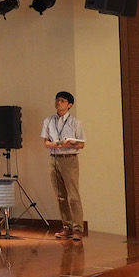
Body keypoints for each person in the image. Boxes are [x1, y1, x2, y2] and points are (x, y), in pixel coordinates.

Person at [41, 90, 86, 242]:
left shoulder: (75, 122)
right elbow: (46, 143)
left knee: (73, 196)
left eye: (62, 101)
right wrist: (57, 144)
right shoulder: (49, 121)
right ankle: (66, 227)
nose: (58, 103)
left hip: (69, 159)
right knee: (60, 196)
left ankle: (78, 229)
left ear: (69, 105)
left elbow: (81, 144)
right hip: (54, 159)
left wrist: (69, 144)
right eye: (57, 100)